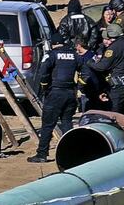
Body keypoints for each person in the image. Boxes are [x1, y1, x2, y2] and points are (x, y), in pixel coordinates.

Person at [28, 33, 84, 163]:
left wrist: (44, 86)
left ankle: (42, 154)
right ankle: (71, 153)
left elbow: (43, 72)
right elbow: (85, 70)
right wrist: (78, 85)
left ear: (53, 43)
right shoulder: (74, 54)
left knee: (47, 125)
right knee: (67, 123)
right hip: (70, 94)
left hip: (55, 93)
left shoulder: (51, 54)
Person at [86, 23, 124, 115]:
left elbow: (102, 67)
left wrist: (90, 63)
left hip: (119, 85)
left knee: (115, 114)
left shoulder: (113, 48)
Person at [74, 38, 107, 113]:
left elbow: (87, 74)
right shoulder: (92, 55)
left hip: (88, 87)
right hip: (94, 85)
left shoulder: (86, 57)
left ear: (79, 46)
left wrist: (80, 86)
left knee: (88, 109)